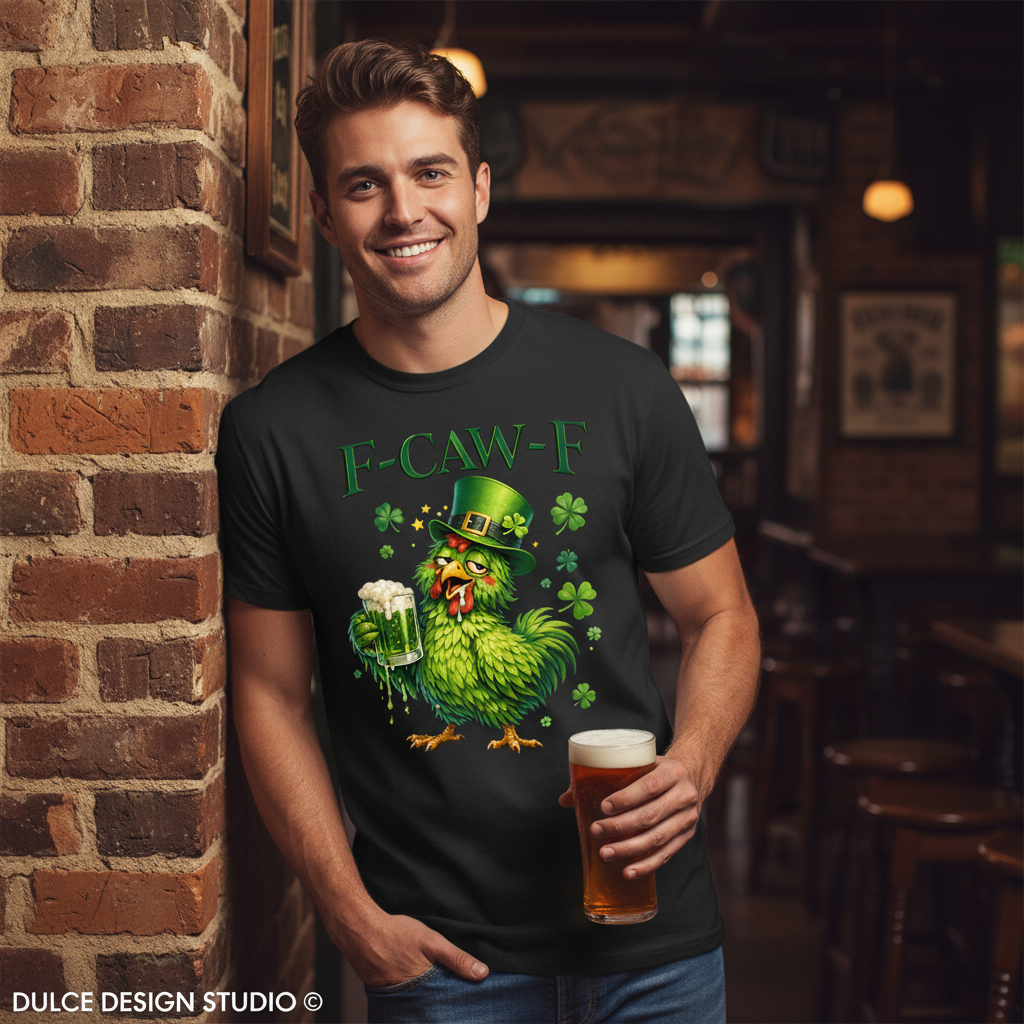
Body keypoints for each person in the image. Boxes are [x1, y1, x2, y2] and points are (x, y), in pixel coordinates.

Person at [217, 38, 760, 1024]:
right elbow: (269, 692)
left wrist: (692, 763)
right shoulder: (272, 430)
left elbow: (720, 613)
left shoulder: (621, 388)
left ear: (478, 189)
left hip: (650, 944)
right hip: (434, 959)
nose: (402, 210)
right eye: (363, 184)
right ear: (326, 215)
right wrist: (346, 913)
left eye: (429, 173)